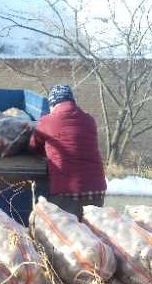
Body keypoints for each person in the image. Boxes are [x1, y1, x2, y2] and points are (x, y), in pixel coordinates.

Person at [28, 85, 107, 219]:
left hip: (67, 190)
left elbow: (34, 147)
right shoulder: (89, 120)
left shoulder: (46, 121)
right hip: (96, 189)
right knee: (92, 233)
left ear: (53, 104)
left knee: (66, 235)